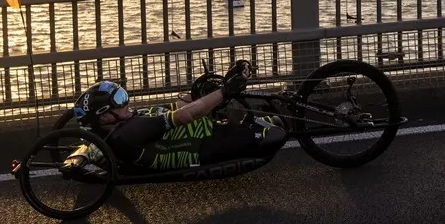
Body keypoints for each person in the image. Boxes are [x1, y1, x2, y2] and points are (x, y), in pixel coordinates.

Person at [72, 60, 286, 170]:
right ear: (105, 117)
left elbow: (181, 105)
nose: (126, 102)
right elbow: (185, 115)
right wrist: (224, 92)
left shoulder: (126, 123)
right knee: (277, 132)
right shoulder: (130, 131)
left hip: (206, 130)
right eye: (119, 101)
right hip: (204, 144)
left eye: (122, 95)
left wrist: (220, 87)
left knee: (279, 120)